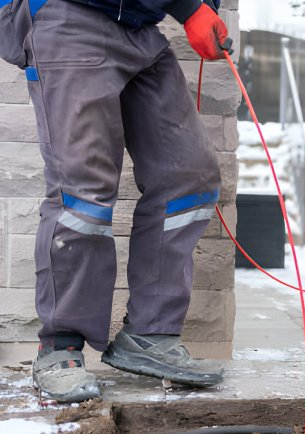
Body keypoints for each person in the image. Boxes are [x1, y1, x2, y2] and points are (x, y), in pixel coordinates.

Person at [3, 0, 233, 403]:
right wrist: (187, 7)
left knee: (188, 178)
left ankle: (150, 335)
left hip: (140, 25)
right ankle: (60, 347)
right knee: (83, 192)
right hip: (71, 13)